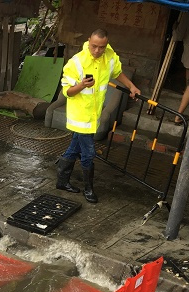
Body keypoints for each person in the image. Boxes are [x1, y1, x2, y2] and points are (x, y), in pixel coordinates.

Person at [56, 29, 140, 204]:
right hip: (80, 115)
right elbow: (68, 92)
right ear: (88, 41)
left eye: (101, 47)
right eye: (94, 46)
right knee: (88, 153)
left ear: (106, 44)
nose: (97, 51)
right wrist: (81, 86)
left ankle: (62, 182)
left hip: (94, 115)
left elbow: (117, 72)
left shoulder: (109, 56)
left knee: (74, 148)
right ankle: (88, 189)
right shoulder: (77, 62)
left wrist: (131, 86)